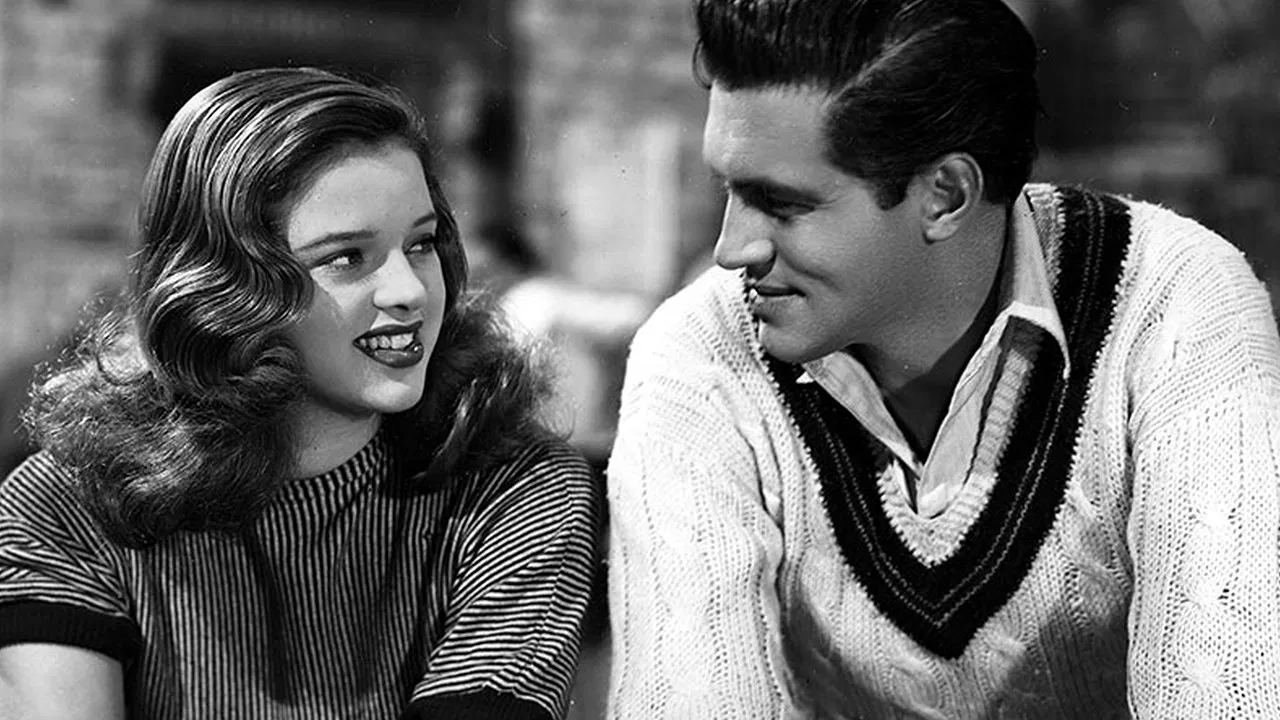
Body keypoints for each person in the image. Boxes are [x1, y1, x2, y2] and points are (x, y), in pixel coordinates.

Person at [606, 1, 1280, 718]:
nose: (730, 248)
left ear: (946, 195)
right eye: (730, 191)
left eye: (781, 204)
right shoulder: (696, 356)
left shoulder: (1171, 303)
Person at [0, 67, 603, 719]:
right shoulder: (64, 505)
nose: (410, 290)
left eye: (422, 244)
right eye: (347, 258)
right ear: (227, 286)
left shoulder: (515, 491)